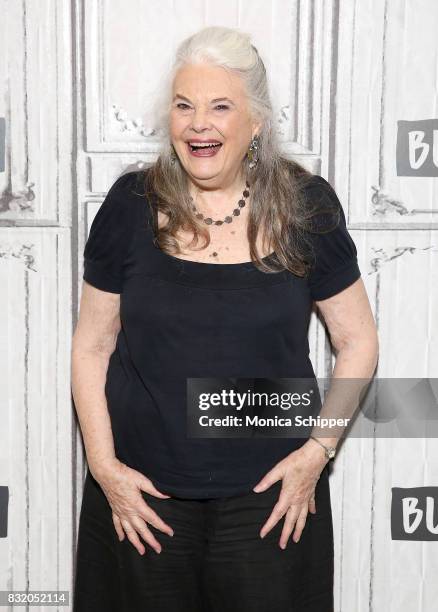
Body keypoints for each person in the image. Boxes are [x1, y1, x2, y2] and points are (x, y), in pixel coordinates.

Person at [71, 25, 378, 612]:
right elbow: (91, 345)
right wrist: (105, 469)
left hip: (271, 503)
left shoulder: (305, 207)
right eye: (184, 106)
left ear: (255, 122)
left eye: (219, 106)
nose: (197, 124)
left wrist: (318, 452)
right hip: (142, 501)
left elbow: (358, 339)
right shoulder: (129, 207)